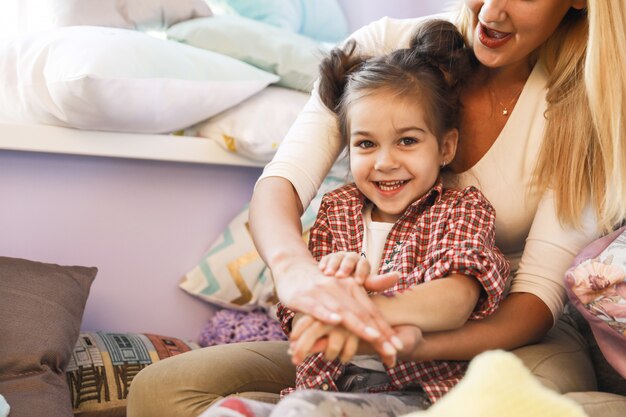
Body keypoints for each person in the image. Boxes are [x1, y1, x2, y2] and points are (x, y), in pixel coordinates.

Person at [127, 1, 626, 416]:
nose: (491, 11)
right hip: (354, 339)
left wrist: (391, 335)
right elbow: (281, 184)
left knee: (511, 404)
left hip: (502, 333)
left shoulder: (587, 104)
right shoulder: (387, 51)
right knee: (162, 389)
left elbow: (534, 299)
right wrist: (302, 278)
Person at [198, 19, 510, 417]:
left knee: (306, 412)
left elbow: (456, 300)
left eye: (408, 141)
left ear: (446, 147)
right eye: (366, 144)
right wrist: (329, 283)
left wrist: (357, 310)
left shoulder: (462, 209)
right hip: (330, 383)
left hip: (421, 389)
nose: (384, 162)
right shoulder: (337, 209)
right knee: (227, 411)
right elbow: (301, 319)